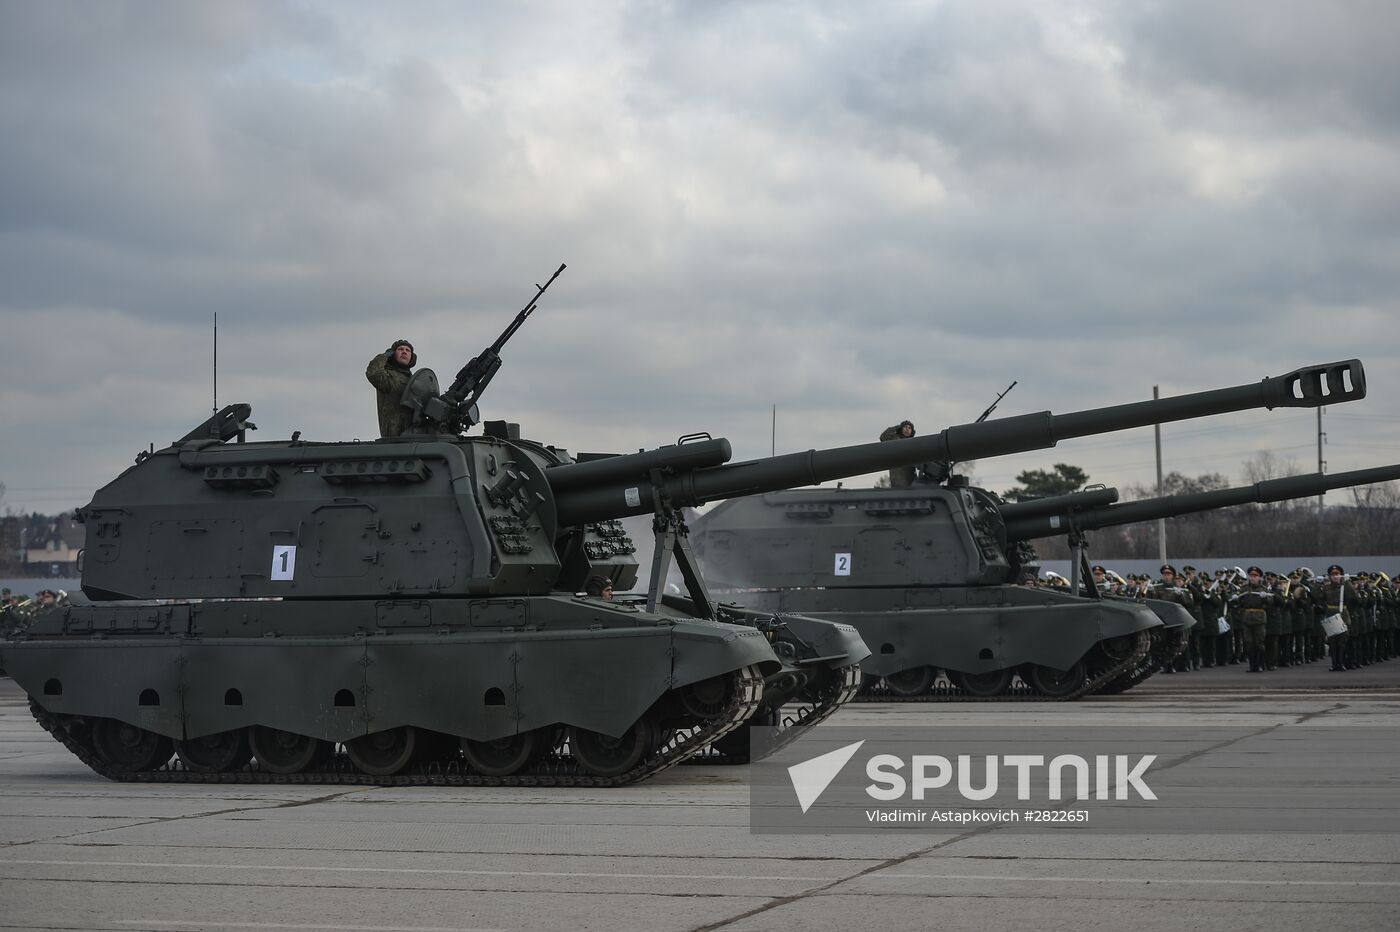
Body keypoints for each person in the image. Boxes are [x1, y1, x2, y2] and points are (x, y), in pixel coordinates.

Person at [1229, 566, 1276, 673]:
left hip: (1259, 619)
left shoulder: (1263, 589)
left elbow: (1270, 602)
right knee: (1249, 643)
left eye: (1255, 576)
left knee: (1259, 643)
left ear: (1259, 577)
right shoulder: (1244, 589)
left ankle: (1260, 665)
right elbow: (1238, 603)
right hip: (1247, 618)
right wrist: (1235, 599)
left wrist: (1266, 598)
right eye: (1251, 576)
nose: (1253, 578)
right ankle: (1252, 666)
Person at [365, 340, 417, 438]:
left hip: (415, 435)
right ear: (393, 354)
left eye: (408, 350)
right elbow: (373, 373)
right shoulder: (389, 376)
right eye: (400, 349)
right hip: (394, 436)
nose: (404, 352)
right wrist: (385, 356)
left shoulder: (414, 380)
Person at [1316, 564, 1358, 671]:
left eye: (1337, 574)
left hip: (1342, 614)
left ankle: (1342, 663)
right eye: (1333, 574)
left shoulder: (1345, 586)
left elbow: (1355, 597)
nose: (1335, 576)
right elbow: (1318, 599)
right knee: (1333, 642)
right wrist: (1317, 584)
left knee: (1343, 641)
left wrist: (1347, 582)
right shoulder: (1326, 587)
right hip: (1331, 614)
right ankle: (1334, 664)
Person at [878, 420, 917, 488]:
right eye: (905, 427)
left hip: (910, 474)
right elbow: (883, 437)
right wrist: (897, 427)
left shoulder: (913, 443)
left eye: (909, 428)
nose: (907, 429)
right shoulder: (894, 439)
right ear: (901, 429)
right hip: (897, 474)